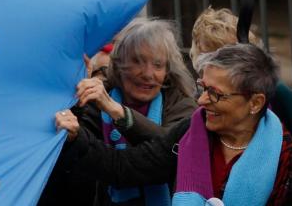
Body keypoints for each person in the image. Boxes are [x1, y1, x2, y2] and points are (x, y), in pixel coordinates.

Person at [56, 43, 292, 205]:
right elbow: (124, 168)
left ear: (255, 102)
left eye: (215, 93)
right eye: (202, 87)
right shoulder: (191, 135)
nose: (202, 101)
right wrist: (76, 137)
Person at [46, 18, 197, 205]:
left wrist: (119, 113)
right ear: (118, 64)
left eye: (158, 65)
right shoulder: (95, 101)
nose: (148, 74)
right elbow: (76, 157)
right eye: (138, 62)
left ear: (167, 71)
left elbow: (167, 147)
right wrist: (75, 98)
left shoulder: (183, 105)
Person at [191, 6, 292, 169]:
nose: (215, 66)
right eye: (209, 57)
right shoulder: (199, 96)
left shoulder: (276, 92)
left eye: (228, 58)